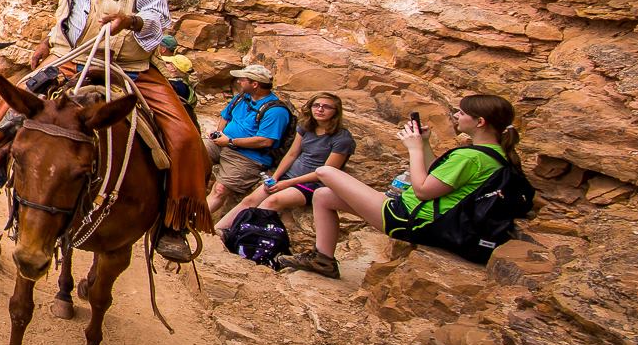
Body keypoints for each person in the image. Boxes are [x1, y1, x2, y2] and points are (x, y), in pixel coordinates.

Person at [19, 0, 211, 264]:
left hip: (127, 65)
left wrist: (131, 21)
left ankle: (174, 223)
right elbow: (72, 14)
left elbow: (159, 21)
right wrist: (46, 41)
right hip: (71, 59)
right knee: (12, 107)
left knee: (184, 137)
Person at [278, 94, 520, 278]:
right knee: (323, 196)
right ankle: (323, 260)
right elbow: (438, 173)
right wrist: (424, 144)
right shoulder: (492, 154)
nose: (456, 116)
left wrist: (413, 149)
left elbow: (424, 189)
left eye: (462, 113)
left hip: (410, 219)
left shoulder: (470, 157)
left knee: (325, 172)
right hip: (420, 216)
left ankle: (322, 259)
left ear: (479, 122)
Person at [215, 92, 355, 234]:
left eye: (326, 107)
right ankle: (217, 231)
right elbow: (292, 154)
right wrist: (275, 177)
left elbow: (326, 173)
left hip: (313, 184)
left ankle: (236, 236)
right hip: (288, 176)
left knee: (272, 202)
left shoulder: (342, 139)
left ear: (336, 111)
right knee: (250, 200)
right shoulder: (306, 127)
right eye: (316, 105)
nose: (320, 109)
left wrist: (288, 183)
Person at [205, 65, 295, 218]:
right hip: (222, 143)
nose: (239, 81)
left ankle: (190, 221)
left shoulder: (276, 111)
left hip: (248, 157)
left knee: (220, 189)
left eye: (243, 79)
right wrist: (219, 134)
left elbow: (265, 141)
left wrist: (231, 141)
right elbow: (226, 115)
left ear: (255, 84)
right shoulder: (242, 97)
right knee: (188, 152)